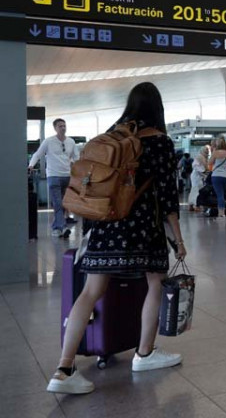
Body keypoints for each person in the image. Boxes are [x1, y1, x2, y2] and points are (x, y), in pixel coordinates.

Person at [47, 82, 187, 395]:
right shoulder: (160, 142)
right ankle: (145, 352)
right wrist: (178, 239)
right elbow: (167, 197)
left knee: (91, 291)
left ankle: (64, 368)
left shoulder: (112, 136)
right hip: (143, 228)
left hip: (104, 226)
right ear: (158, 108)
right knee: (156, 283)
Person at [28, 118, 79, 238]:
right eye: (60, 126)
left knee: (64, 203)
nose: (63, 128)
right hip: (53, 176)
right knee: (57, 203)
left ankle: (56, 226)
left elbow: (76, 158)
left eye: (64, 126)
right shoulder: (48, 141)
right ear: (55, 128)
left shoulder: (71, 142)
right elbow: (38, 154)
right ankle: (62, 226)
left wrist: (78, 169)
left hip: (67, 176)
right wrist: (30, 165)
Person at [209, 137, 226, 219]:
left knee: (220, 195)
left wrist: (213, 153)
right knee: (222, 194)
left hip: (216, 176)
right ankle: (223, 211)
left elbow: (210, 162)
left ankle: (221, 213)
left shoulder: (216, 152)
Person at [188, 145, 210, 212]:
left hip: (200, 176)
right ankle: (196, 206)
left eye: (207, 151)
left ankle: (192, 205)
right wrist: (204, 172)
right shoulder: (199, 157)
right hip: (196, 177)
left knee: (195, 190)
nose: (207, 152)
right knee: (196, 190)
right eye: (206, 151)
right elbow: (196, 166)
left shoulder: (204, 157)